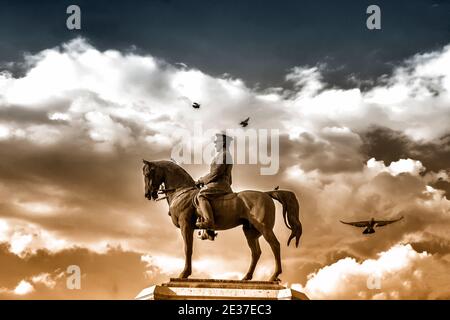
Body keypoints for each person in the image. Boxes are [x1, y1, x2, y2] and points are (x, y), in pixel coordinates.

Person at [195, 133, 233, 230]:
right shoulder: (223, 155)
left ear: (223, 143)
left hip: (220, 184)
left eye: (217, 142)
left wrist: (201, 181)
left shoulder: (224, 155)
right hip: (221, 183)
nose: (215, 144)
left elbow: (216, 172)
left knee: (201, 195)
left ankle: (209, 221)